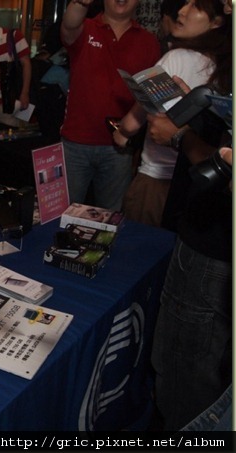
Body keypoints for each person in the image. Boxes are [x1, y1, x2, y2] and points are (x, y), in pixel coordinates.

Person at [143, 0, 232, 424]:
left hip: (214, 247)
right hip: (204, 232)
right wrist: (193, 109)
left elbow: (224, 160)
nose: (185, 7)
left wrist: (180, 135)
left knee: (184, 376)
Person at [113, 0, 230, 227]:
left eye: (195, 6)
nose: (182, 11)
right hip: (195, 188)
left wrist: (121, 134)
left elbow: (132, 123)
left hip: (156, 182)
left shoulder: (176, 58)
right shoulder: (222, 67)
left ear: (217, 21)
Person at [59, 0, 161, 212]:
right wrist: (80, 2)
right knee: (63, 213)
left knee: (111, 218)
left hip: (119, 148)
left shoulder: (149, 42)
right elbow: (69, 25)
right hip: (75, 144)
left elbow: (150, 97)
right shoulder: (86, 28)